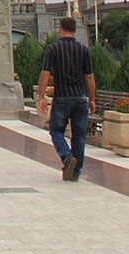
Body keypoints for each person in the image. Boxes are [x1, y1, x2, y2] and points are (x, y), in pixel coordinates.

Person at [37, 17, 96, 182]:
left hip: (62, 97)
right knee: (79, 135)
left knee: (56, 130)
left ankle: (66, 156)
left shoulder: (53, 48)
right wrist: (91, 99)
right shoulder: (83, 50)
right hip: (80, 98)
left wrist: (41, 97)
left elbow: (45, 73)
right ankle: (75, 172)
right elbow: (90, 77)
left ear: (60, 28)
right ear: (75, 30)